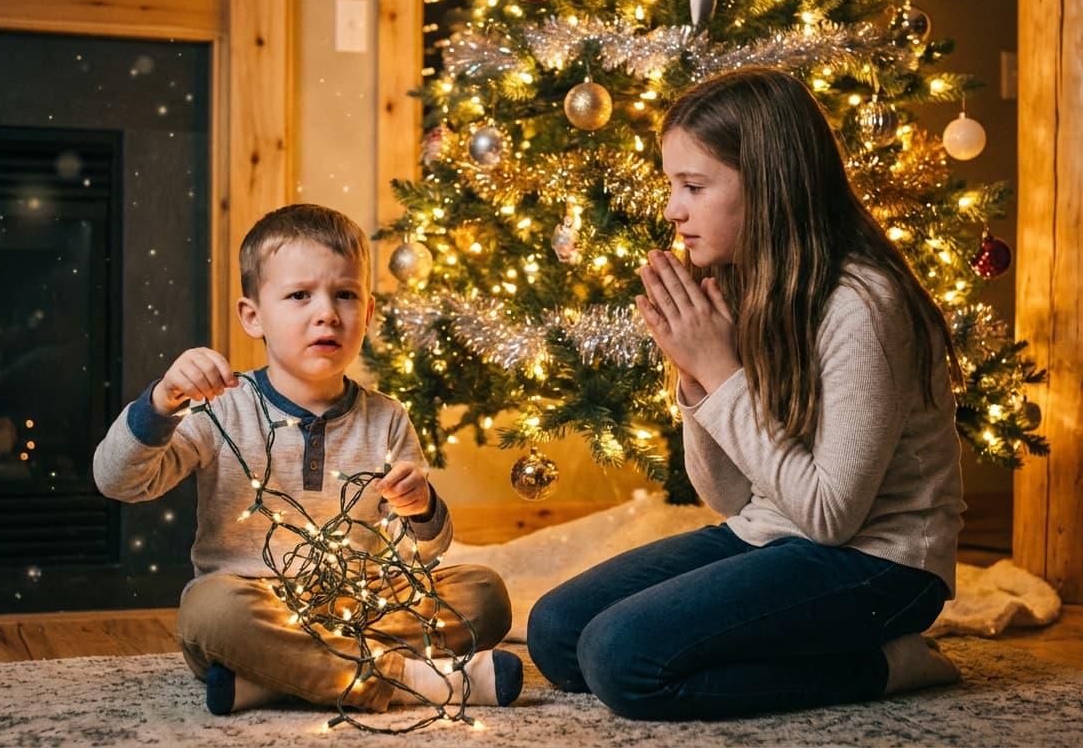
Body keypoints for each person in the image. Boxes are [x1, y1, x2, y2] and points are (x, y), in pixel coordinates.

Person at [526, 67, 966, 720]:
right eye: (672, 184)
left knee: (624, 661)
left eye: (693, 186)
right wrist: (698, 379)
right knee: (558, 633)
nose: (673, 208)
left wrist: (723, 372)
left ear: (769, 186)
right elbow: (730, 497)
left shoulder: (861, 305)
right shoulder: (741, 282)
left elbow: (830, 518)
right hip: (771, 534)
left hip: (882, 567)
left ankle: (882, 664)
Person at [94, 203, 520, 716]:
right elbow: (118, 481)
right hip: (256, 610)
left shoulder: (386, 417)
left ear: (368, 312)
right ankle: (408, 680)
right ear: (253, 317)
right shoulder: (219, 408)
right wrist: (160, 402)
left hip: (362, 605)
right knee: (206, 613)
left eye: (345, 294)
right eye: (300, 295)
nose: (327, 313)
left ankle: (275, 682)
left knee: (485, 595)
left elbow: (424, 554)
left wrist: (422, 507)